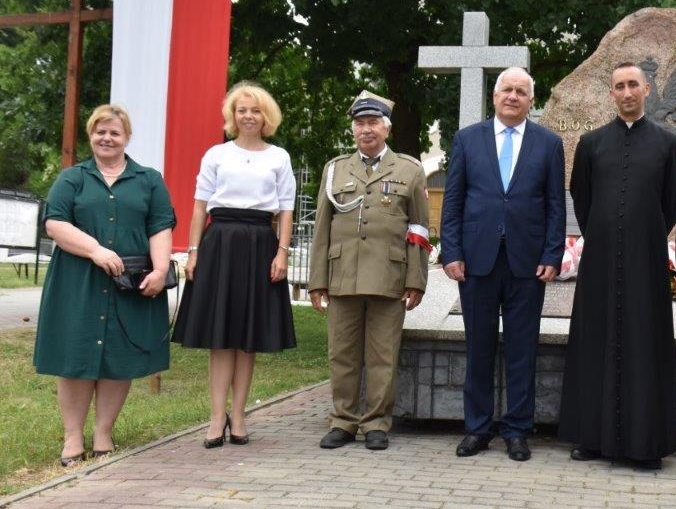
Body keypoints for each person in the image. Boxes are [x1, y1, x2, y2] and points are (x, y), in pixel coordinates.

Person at [557, 61, 676, 470]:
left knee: (645, 346)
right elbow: (582, 198)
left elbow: (670, 204)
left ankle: (645, 444)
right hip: (599, 263)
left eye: (633, 85)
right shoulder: (591, 143)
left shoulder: (668, 145)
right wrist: (606, 230)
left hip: (646, 262)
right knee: (594, 343)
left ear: (646, 89)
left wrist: (641, 233)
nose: (627, 92)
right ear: (611, 93)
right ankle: (590, 437)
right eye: (619, 86)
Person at [34, 104, 176, 466]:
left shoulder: (149, 179)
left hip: (129, 281)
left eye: (115, 132)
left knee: (118, 355)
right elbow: (55, 223)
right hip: (77, 281)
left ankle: (103, 433)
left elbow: (160, 226)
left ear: (127, 137)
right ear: (91, 135)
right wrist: (96, 250)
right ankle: (72, 437)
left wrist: (160, 270)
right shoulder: (72, 178)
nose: (107, 138)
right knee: (75, 355)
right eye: (101, 131)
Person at [441, 66, 565, 462]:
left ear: (531, 100)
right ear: (494, 97)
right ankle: (477, 428)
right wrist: (451, 252)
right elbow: (453, 201)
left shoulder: (549, 143)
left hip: (527, 265)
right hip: (476, 261)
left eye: (521, 91)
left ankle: (516, 430)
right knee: (478, 347)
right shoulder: (467, 139)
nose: (513, 96)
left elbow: (555, 206)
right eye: (507, 90)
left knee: (522, 350)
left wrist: (552, 254)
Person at [171, 82, 297, 448]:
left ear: (265, 116)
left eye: (255, 110)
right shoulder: (216, 154)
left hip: (260, 244)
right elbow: (199, 207)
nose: (248, 116)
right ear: (232, 115)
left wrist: (282, 252)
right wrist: (193, 251)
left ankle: (239, 416)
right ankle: (216, 417)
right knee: (220, 336)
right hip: (220, 243)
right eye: (242, 110)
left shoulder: (279, 157)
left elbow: (286, 210)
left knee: (247, 337)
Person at [309, 90, 430, 451]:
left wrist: (416, 279)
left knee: (382, 356)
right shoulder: (335, 169)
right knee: (342, 354)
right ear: (353, 129)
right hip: (342, 274)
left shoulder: (409, 170)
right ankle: (343, 421)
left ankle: (376, 423)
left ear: (386, 128)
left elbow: (419, 230)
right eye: (360, 123)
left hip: (389, 276)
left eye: (373, 122)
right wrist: (317, 281)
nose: (366, 129)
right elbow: (322, 228)